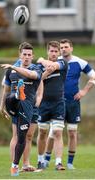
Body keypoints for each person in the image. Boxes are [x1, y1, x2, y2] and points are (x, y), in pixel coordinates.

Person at [43, 38, 95, 170]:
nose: (63, 49)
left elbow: (94, 76)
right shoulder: (56, 62)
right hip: (57, 103)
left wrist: (84, 91)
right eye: (61, 47)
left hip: (73, 103)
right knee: (53, 132)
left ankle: (69, 163)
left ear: (71, 48)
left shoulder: (79, 62)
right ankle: (46, 160)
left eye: (66, 47)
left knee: (72, 133)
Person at [0, 42, 42, 176]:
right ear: (20, 55)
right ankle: (17, 95)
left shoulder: (36, 69)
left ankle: (17, 165)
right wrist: (1, 106)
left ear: (32, 56)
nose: (27, 57)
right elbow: (5, 89)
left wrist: (14, 67)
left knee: (24, 137)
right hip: (13, 106)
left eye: (29, 55)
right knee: (16, 136)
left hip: (28, 107)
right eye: (24, 54)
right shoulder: (10, 71)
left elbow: (32, 76)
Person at [36, 41, 68, 170]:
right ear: (47, 51)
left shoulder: (63, 63)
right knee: (42, 132)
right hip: (43, 104)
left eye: (56, 51)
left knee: (58, 132)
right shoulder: (38, 66)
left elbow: (54, 65)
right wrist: (44, 69)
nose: (54, 53)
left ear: (59, 53)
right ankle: (40, 161)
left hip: (58, 103)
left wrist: (44, 61)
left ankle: (58, 163)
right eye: (51, 51)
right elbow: (37, 79)